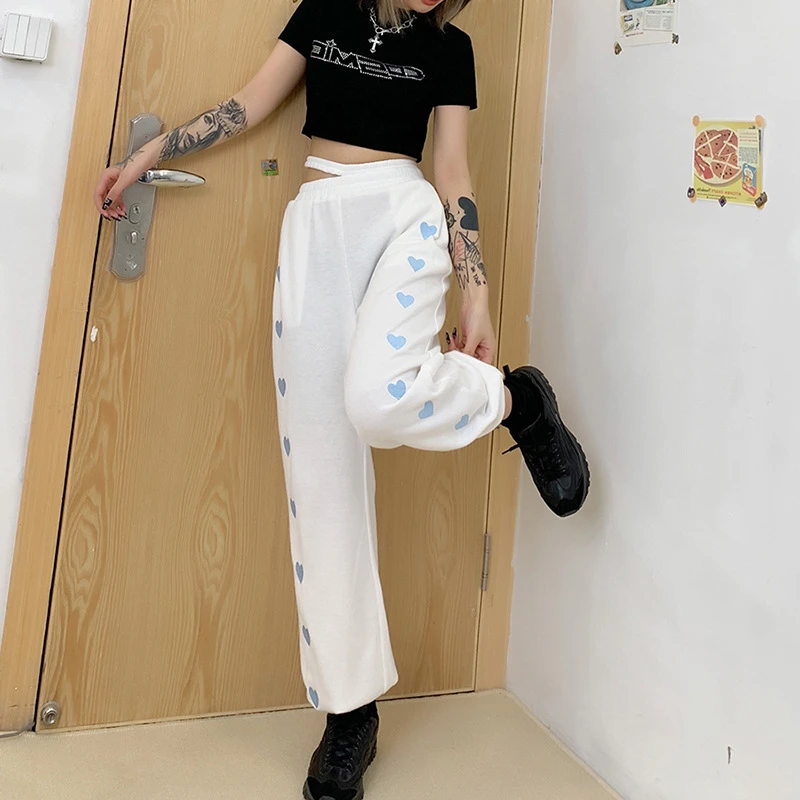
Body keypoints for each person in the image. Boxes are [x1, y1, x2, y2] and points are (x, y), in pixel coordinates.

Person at [93, 0, 590, 797]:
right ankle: (351, 711)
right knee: (320, 477)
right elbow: (249, 103)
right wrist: (151, 151)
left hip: (405, 217)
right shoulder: (325, 8)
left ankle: (510, 402)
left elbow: (452, 171)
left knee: (377, 400)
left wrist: (476, 295)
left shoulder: (450, 47)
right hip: (318, 222)